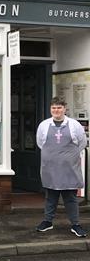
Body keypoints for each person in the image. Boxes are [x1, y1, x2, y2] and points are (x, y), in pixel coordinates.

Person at [35, 97, 87, 237]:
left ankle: (75, 224)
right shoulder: (44, 125)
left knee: (70, 198)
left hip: (69, 168)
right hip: (50, 168)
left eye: (59, 108)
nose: (56, 110)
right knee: (50, 196)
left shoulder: (75, 125)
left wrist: (67, 157)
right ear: (50, 109)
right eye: (53, 108)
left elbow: (82, 143)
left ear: (65, 109)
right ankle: (47, 222)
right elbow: (40, 143)